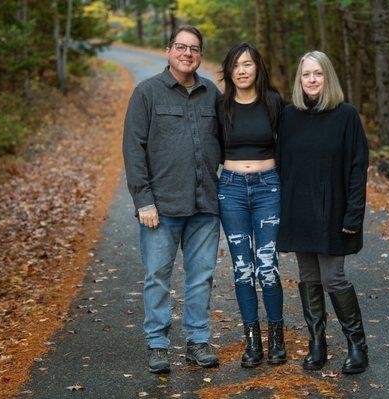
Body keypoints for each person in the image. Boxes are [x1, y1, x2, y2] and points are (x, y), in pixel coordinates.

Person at [122, 25, 222, 374]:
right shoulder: (147, 93)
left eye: (194, 48)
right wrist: (143, 201)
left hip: (205, 204)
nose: (187, 54)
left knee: (201, 276)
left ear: (200, 55)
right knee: (157, 276)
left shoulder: (213, 94)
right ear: (169, 51)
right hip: (161, 207)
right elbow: (133, 150)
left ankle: (197, 341)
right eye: (181, 47)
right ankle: (158, 344)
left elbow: (232, 141)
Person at [276, 51, 369, 374]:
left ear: (328, 78)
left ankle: (357, 345)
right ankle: (318, 343)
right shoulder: (289, 116)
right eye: (306, 75)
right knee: (309, 278)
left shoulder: (346, 116)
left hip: (334, 210)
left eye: (317, 74)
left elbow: (358, 168)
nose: (312, 80)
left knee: (334, 278)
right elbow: (281, 165)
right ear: (299, 80)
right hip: (299, 210)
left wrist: (353, 215)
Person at [217, 43, 286, 368]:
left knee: (267, 266)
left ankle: (276, 339)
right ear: (229, 71)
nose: (242, 70)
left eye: (248, 64)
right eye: (236, 65)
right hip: (230, 190)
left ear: (258, 68)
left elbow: (288, 147)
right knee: (242, 269)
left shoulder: (273, 102)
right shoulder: (221, 106)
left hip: (267, 189)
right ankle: (253, 342)